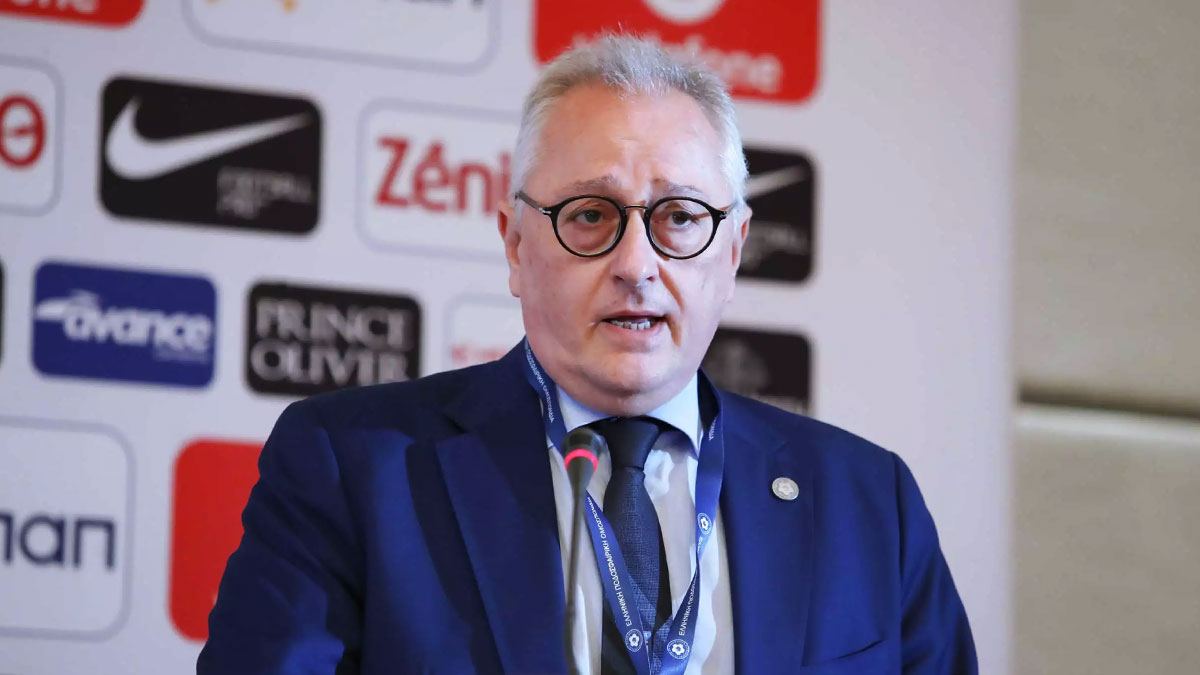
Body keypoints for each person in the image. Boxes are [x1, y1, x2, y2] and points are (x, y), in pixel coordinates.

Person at [199, 35, 976, 675]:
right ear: (515, 244)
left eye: (679, 217)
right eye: (591, 214)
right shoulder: (353, 470)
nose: (636, 264)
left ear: (734, 250)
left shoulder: (870, 505)